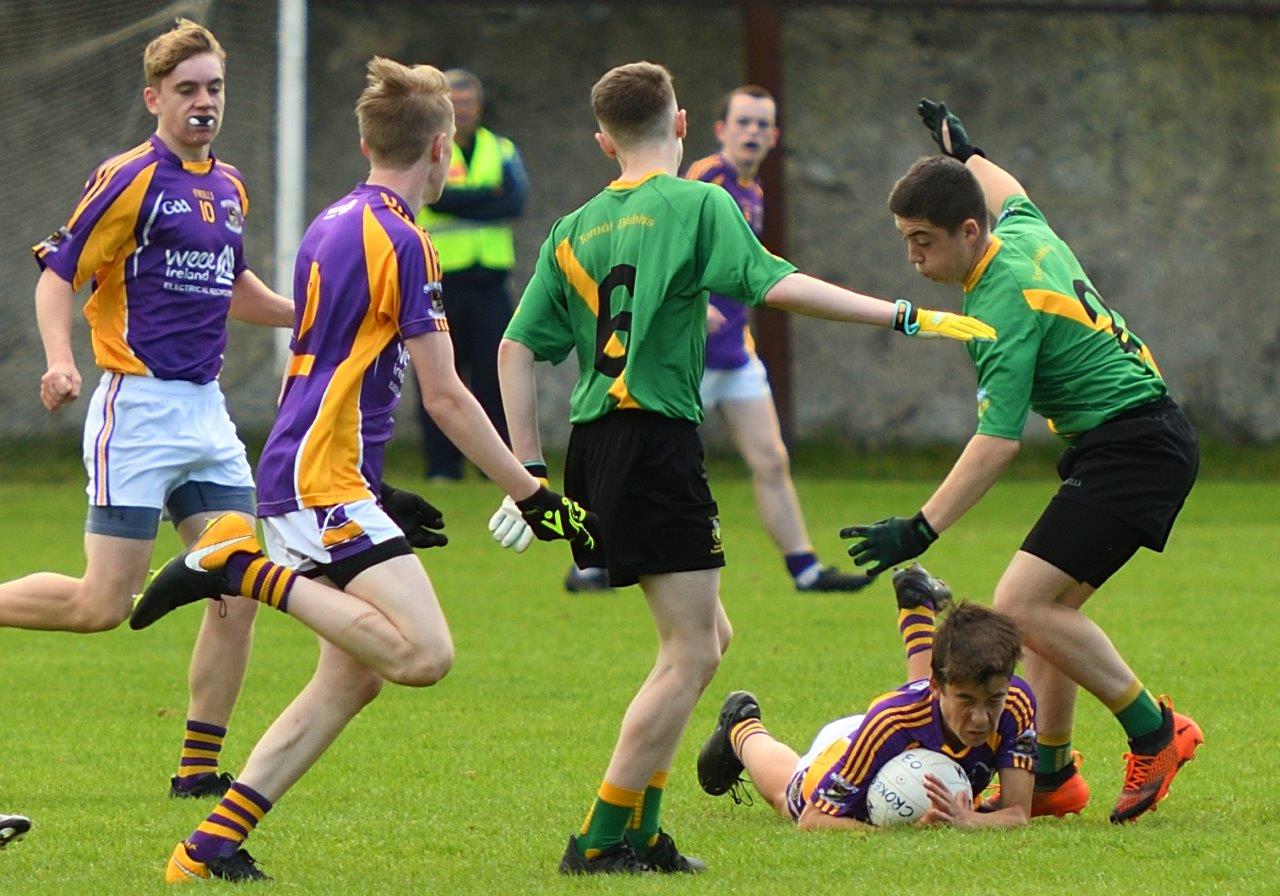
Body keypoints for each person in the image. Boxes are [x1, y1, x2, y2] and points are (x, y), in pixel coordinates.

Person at [494, 61, 996, 875]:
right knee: (689, 653)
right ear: (684, 124)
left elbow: (515, 349)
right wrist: (900, 314)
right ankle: (598, 840)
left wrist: (529, 470)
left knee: (707, 637)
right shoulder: (699, 201)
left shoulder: (572, 227)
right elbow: (778, 283)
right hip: (653, 439)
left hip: (595, 445)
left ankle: (646, 833)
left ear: (601, 141)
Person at [129, 57, 593, 884]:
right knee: (422, 657)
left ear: (363, 139)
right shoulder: (406, 240)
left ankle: (207, 848)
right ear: (443, 149)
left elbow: (315, 368)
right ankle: (237, 564)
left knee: (351, 678)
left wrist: (375, 488)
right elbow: (447, 398)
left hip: (317, 470)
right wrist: (530, 491)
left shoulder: (331, 220)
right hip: (320, 479)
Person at [842, 99, 1203, 825]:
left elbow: (997, 443)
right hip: (1135, 441)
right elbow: (1009, 190)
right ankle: (1052, 777)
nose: (912, 258)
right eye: (905, 240)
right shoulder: (1019, 232)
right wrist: (966, 152)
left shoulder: (997, 309)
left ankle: (1156, 733)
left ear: (967, 232)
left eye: (922, 241)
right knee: (1050, 612)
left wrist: (919, 529)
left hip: (1136, 448)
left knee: (1018, 606)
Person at [6, 18, 294, 800]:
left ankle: (197, 771)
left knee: (239, 584)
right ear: (154, 98)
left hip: (206, 416)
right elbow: (58, 274)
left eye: (215, 88)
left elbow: (237, 289)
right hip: (136, 410)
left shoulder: (227, 187)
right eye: (188, 90)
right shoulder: (130, 176)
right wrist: (62, 360)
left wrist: (310, 312)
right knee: (103, 604)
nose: (204, 102)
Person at [565, 85, 871, 595]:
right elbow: (661, 236)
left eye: (762, 125)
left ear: (774, 136)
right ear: (720, 129)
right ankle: (592, 561)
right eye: (743, 122)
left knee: (771, 458)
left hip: (735, 353)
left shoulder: (754, 190)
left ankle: (806, 569)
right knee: (635, 458)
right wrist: (691, 298)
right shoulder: (706, 179)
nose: (752, 132)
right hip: (689, 358)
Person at [697, 564, 1036, 829]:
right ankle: (742, 728)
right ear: (940, 687)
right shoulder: (892, 722)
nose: (981, 718)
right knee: (791, 799)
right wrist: (895, 829)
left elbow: (1018, 813)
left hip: (912, 724)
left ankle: (917, 607)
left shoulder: (1016, 702)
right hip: (853, 744)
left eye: (993, 701)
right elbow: (813, 820)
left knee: (927, 713)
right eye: (966, 701)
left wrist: (968, 820)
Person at [416, 69, 528, 481]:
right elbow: (437, 197)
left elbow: (515, 202)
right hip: (441, 282)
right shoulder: (429, 147)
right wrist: (487, 196)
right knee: (441, 376)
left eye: (467, 102)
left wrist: (464, 200)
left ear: (479, 106)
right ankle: (442, 468)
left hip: (490, 281)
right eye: (454, 103)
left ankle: (491, 466)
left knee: (493, 374)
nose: (461, 110)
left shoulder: (501, 148)